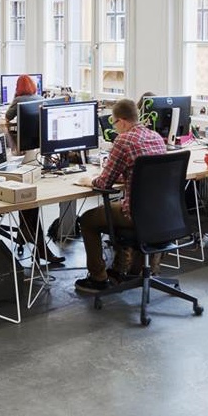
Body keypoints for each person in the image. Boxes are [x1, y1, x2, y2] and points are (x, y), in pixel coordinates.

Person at [75, 97, 167, 293]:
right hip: (163, 213)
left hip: (135, 214)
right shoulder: (156, 137)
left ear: (123, 121)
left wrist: (88, 180)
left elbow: (104, 183)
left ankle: (98, 277)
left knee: (86, 219)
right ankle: (136, 271)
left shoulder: (123, 140)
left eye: (114, 123)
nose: (115, 128)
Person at [0, 75, 58, 264]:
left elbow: (7, 119)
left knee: (29, 194)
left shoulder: (18, 100)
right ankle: (32, 238)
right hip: (39, 150)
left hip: (24, 153)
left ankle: (29, 235)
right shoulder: (41, 99)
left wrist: (8, 129)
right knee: (30, 195)